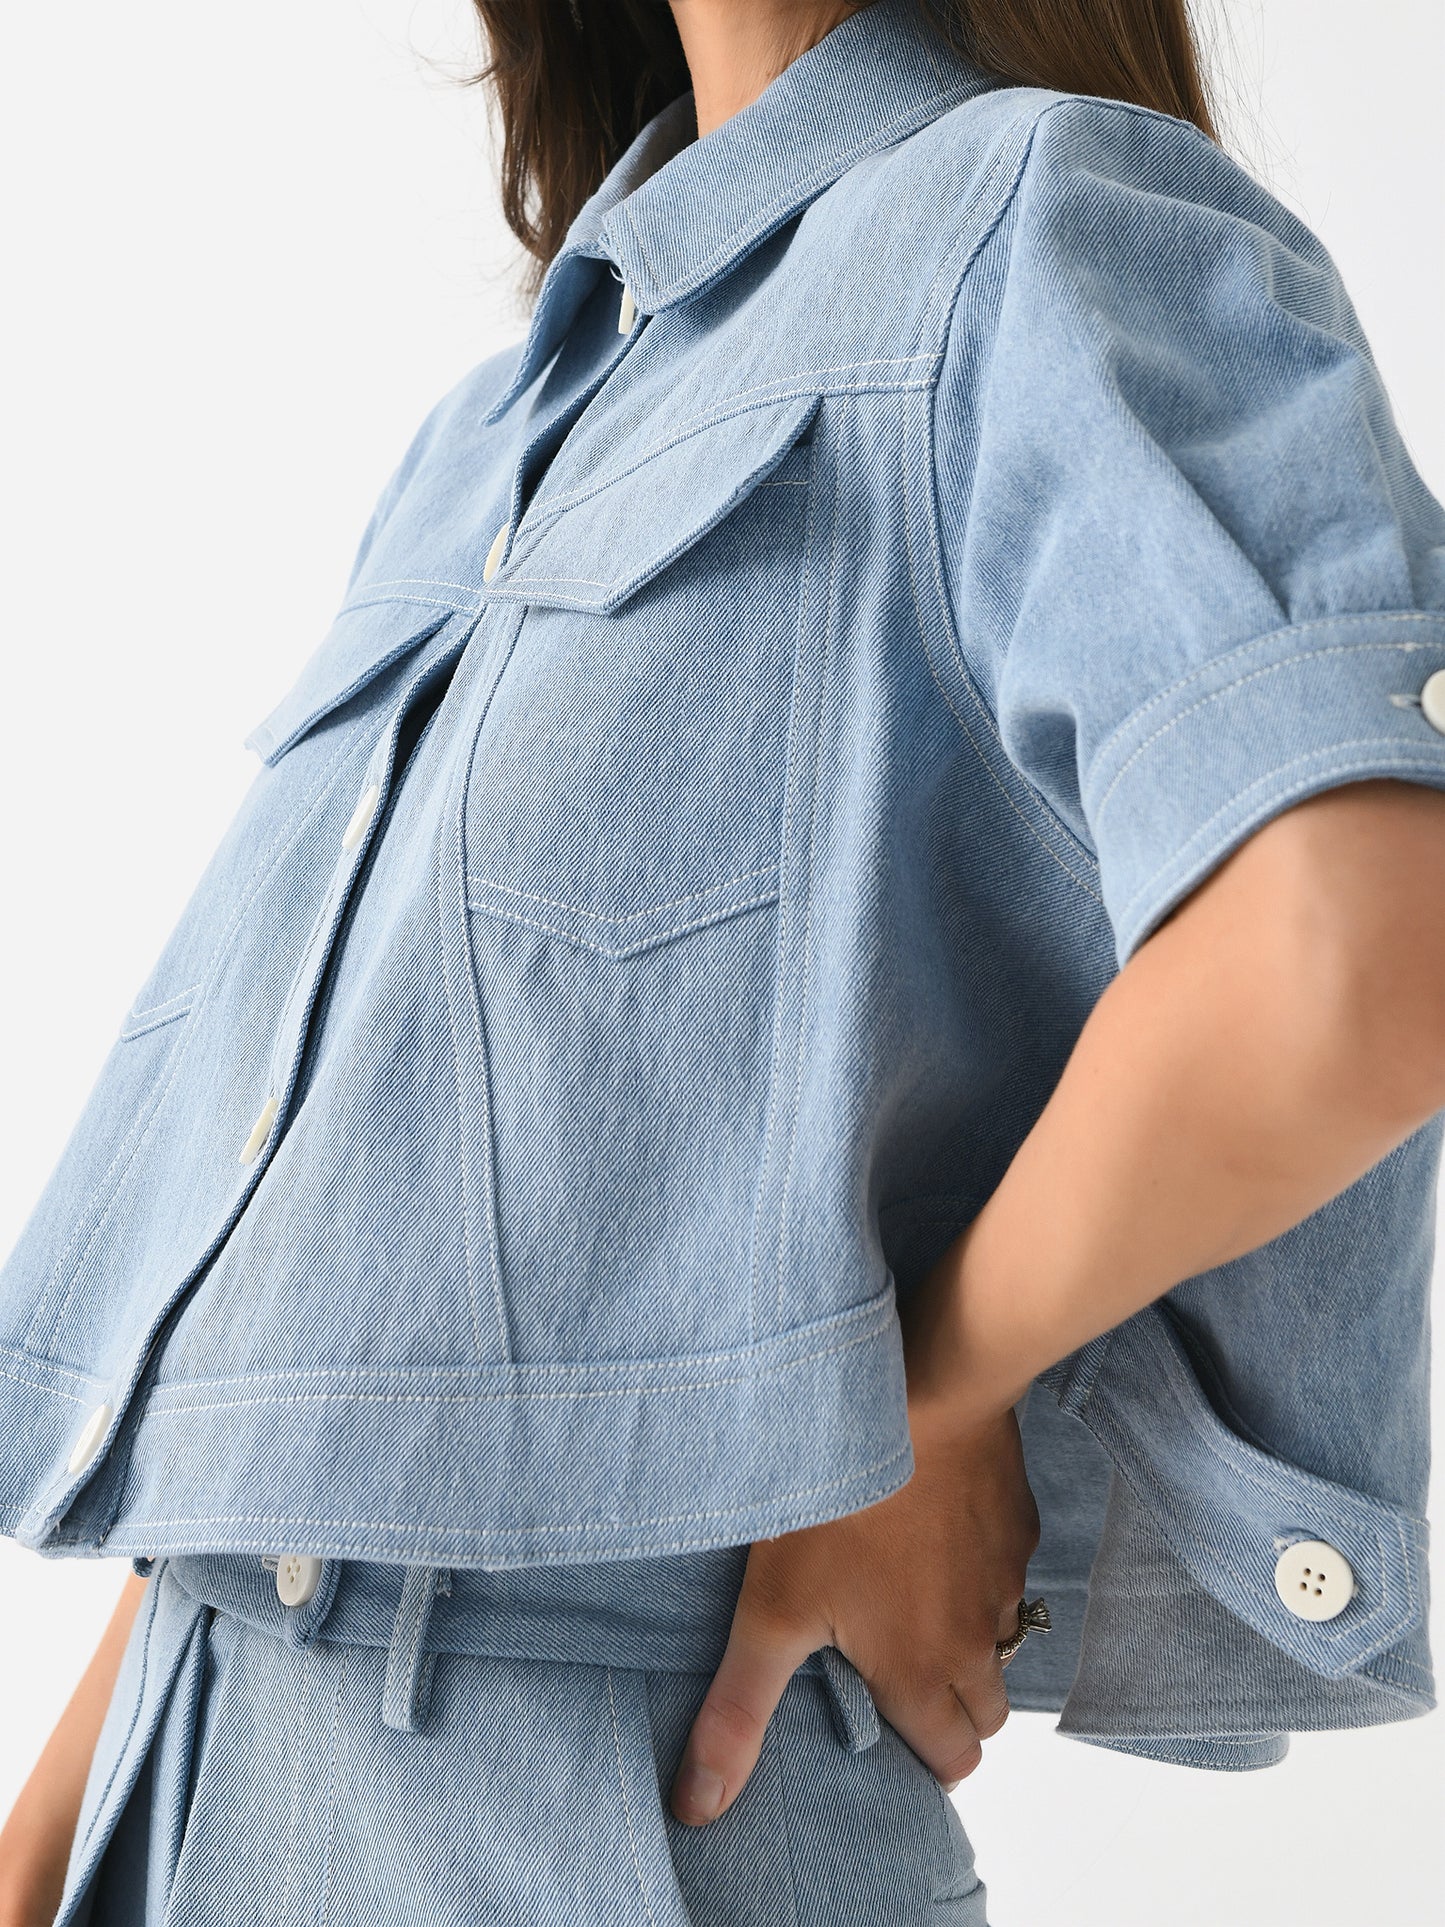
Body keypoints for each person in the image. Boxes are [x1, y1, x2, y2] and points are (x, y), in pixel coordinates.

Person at [3, 1, 1444, 1921]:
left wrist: (928, 1394)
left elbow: (1359, 943)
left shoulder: (1036, 218)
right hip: (177, 1774)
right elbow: (316, 1337)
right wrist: (40, 1853)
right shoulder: (495, 432)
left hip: (592, 1804)